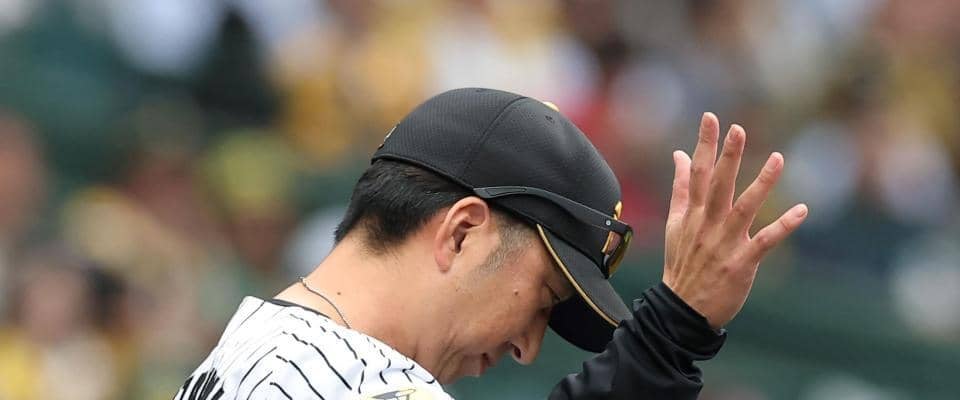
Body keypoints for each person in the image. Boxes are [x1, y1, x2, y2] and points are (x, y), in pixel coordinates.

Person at [175, 88, 808, 399]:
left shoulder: (281, 349)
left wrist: (672, 334)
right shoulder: (318, 379)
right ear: (461, 233)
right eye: (542, 299)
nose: (528, 348)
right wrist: (673, 328)